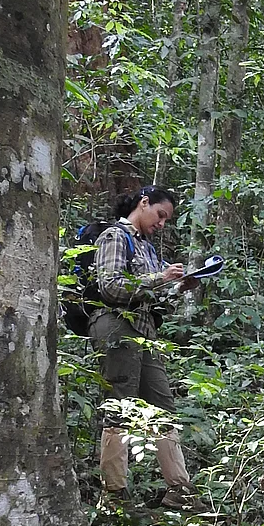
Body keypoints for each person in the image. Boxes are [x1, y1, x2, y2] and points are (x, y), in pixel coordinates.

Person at [91, 186, 200, 505]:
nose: (162, 223)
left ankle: (179, 490)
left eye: (167, 219)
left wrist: (179, 287)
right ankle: (114, 494)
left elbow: (156, 302)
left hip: (144, 330)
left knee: (163, 407)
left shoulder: (149, 250)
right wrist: (158, 278)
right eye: (160, 214)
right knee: (120, 406)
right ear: (143, 203)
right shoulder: (115, 236)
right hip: (115, 325)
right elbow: (110, 287)